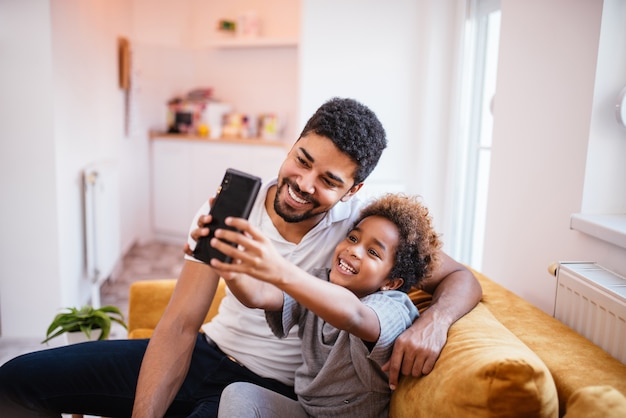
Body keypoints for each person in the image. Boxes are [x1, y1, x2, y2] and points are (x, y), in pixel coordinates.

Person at [0, 98, 481, 418]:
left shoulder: (358, 230)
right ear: (293, 144)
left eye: (330, 181)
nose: (304, 184)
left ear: (353, 190)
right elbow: (181, 324)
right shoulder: (233, 207)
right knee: (17, 380)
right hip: (205, 354)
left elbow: (461, 277)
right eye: (303, 160)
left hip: (272, 395)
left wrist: (435, 320)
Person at [213, 193, 442, 417]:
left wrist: (281, 271)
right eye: (353, 238)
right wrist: (228, 264)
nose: (354, 250)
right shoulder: (319, 281)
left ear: (391, 282)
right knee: (238, 393)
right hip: (305, 411)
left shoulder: (394, 307)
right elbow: (260, 295)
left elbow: (354, 315)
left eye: (373, 252)